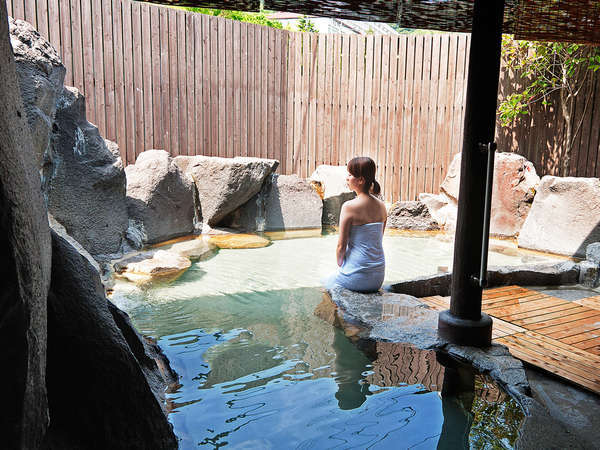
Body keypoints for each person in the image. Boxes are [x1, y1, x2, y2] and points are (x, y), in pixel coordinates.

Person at [331, 157, 387, 293]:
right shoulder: (382, 206)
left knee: (325, 283)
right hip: (378, 277)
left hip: (357, 278)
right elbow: (378, 240)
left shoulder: (349, 206)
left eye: (350, 175)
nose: (347, 178)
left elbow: (341, 247)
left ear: (361, 180)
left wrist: (340, 265)